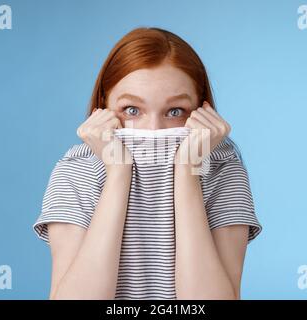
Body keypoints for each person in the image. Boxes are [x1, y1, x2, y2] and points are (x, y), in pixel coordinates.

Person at [33, 27, 262, 300]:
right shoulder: (76, 171)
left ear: (202, 111)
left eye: (174, 111)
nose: (153, 130)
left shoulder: (223, 171)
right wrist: (118, 172)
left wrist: (188, 172)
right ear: (104, 107)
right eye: (132, 110)